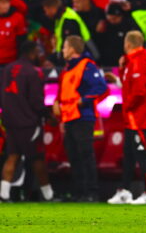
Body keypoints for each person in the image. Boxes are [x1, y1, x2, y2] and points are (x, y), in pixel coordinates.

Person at [52, 35, 108, 202]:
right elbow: (63, 92)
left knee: (85, 155)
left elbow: (100, 86)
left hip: (83, 117)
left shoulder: (87, 66)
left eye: (64, 47)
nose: (62, 50)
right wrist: (58, 107)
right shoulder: (67, 68)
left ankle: (91, 192)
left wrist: (83, 100)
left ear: (72, 49)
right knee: (73, 156)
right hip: (69, 117)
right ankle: (79, 192)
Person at [107, 31, 146, 205]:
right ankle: (125, 191)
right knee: (128, 154)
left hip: (140, 116)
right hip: (132, 117)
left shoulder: (139, 61)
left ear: (128, 44)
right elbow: (128, 85)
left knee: (141, 153)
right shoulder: (132, 62)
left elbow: (138, 92)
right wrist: (122, 68)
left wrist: (127, 106)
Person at [0, 41, 54, 202]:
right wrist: (47, 115)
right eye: (37, 52)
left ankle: (3, 194)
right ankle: (49, 195)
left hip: (10, 121)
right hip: (29, 123)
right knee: (37, 158)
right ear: (32, 53)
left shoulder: (7, 69)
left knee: (12, 157)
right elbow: (36, 101)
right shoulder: (34, 72)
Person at [42, 0, 99, 64]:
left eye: (46, 10)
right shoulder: (61, 19)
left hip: (83, 58)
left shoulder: (69, 20)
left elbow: (72, 45)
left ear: (52, 8)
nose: (46, 14)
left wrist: (54, 60)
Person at [0, 0, 27, 67]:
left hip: (11, 60)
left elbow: (22, 40)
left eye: (7, 3)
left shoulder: (17, 17)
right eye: (2, 3)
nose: (6, 6)